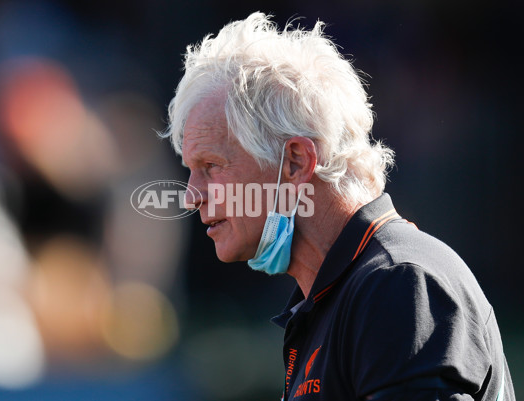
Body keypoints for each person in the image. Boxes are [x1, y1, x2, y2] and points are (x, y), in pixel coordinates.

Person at [161, 12, 515, 401]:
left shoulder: (399, 285)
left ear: (295, 161)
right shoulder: (341, 294)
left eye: (210, 166)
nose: (193, 195)